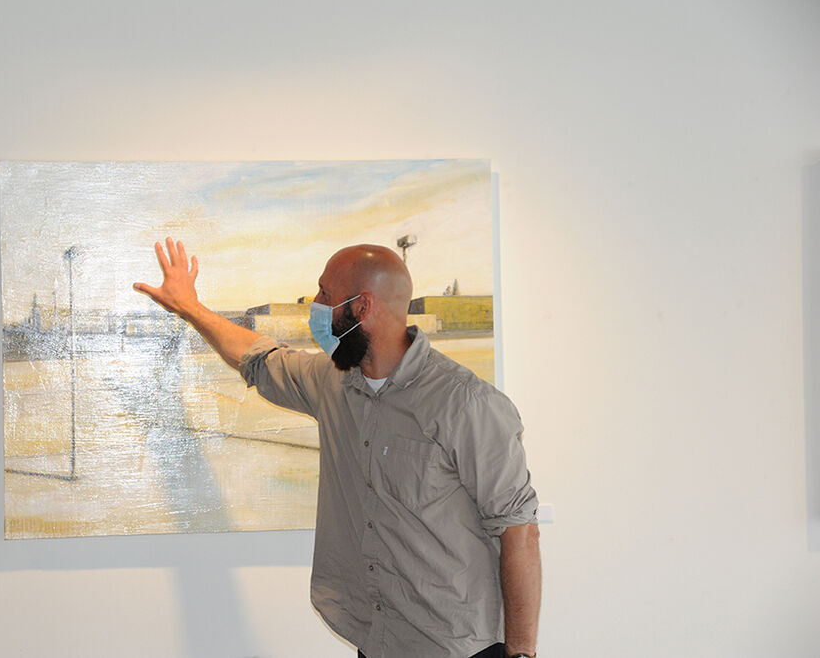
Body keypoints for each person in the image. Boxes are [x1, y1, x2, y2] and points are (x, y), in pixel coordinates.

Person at [134, 238, 541, 658]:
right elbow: (257, 357)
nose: (315, 304)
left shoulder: (467, 404)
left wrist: (522, 653)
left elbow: (519, 531)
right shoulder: (332, 381)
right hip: (376, 638)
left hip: (454, 645)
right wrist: (190, 307)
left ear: (361, 307)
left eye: (325, 294)